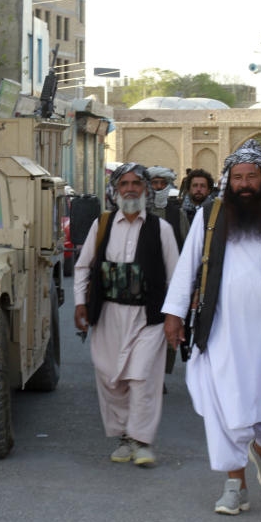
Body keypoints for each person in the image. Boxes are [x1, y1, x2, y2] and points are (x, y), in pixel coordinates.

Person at [162, 141, 261, 515]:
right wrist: (173, 314)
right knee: (227, 410)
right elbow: (188, 267)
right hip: (222, 333)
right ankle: (234, 484)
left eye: (252, 176)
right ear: (228, 181)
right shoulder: (210, 215)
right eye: (237, 177)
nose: (245, 184)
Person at [74, 163, 180, 466]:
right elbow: (83, 267)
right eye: (124, 184)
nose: (130, 189)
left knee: (142, 377)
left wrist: (175, 316)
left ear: (145, 190)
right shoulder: (103, 224)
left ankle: (143, 440)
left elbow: (175, 276)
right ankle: (124, 436)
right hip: (108, 313)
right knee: (111, 379)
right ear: (116, 189)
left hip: (148, 317)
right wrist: (81, 303)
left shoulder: (162, 229)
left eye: (137, 184)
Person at [147, 166, 189, 249]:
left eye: (163, 183)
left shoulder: (178, 214)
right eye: (155, 183)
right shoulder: (139, 213)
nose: (159, 186)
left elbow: (188, 245)